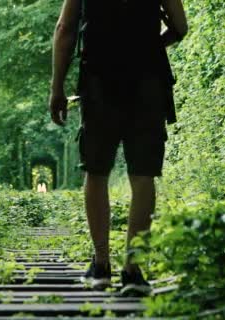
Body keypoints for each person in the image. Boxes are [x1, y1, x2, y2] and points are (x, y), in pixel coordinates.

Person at [49, 0, 188, 296]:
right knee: (143, 176)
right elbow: (180, 27)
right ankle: (133, 270)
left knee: (96, 172)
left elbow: (65, 29)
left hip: (99, 81)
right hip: (148, 84)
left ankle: (101, 267)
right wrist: (151, 47)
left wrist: (57, 88)